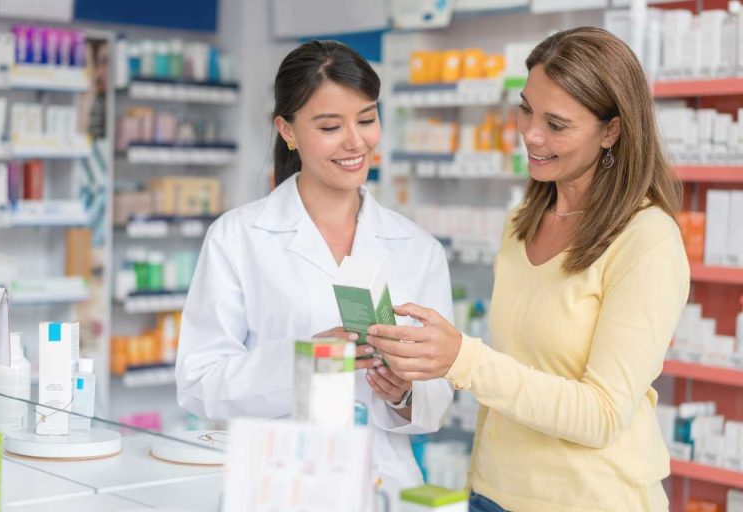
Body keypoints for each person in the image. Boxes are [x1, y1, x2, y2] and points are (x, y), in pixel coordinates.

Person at [367, 27, 689, 512]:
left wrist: (463, 360)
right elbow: (521, 370)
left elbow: (601, 414)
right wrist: (417, 378)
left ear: (612, 131)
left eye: (556, 124)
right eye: (526, 110)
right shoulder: (523, 223)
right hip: (492, 492)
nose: (531, 134)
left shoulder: (647, 241)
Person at [176, 40, 454, 488]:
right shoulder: (239, 237)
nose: (355, 141)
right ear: (287, 130)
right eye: (330, 127)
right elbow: (199, 384)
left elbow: (438, 397)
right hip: (278, 479)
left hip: (383, 482)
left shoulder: (417, 248)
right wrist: (307, 360)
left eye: (367, 119)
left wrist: (404, 393)